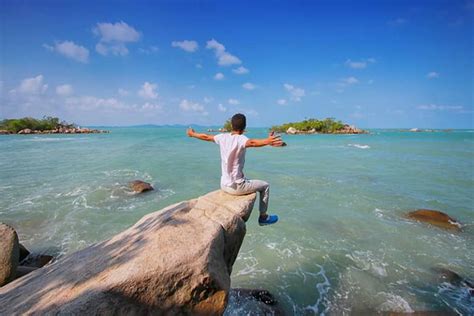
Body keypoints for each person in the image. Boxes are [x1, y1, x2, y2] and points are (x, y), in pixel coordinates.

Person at [187, 113, 284, 226]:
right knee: (265, 186)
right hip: (236, 187)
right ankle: (263, 217)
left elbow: (205, 136)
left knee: (244, 178)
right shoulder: (241, 139)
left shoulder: (222, 137)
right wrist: (267, 141)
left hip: (223, 185)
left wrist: (192, 134)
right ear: (244, 127)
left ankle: (262, 215)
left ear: (231, 125)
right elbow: (252, 143)